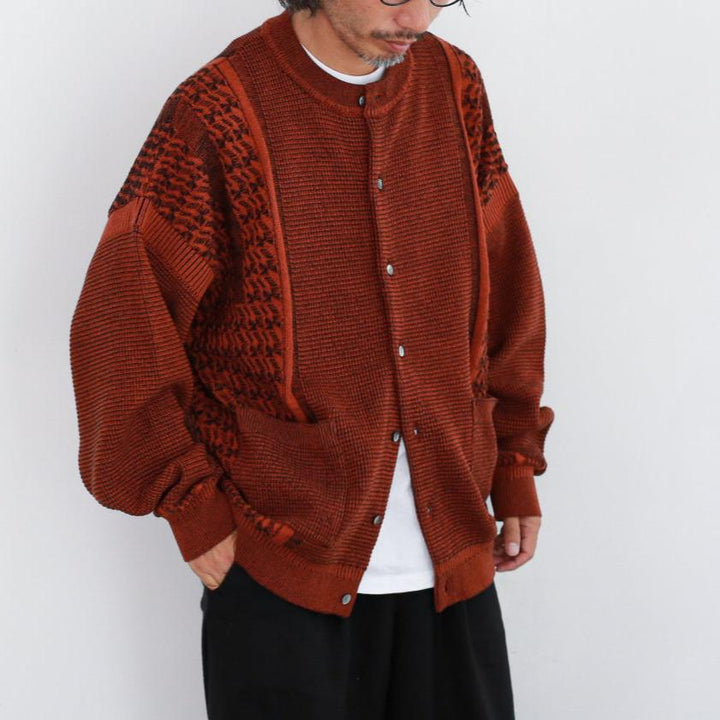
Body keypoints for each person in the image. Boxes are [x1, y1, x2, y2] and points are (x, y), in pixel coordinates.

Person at [69, 0, 554, 717]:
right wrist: (192, 508)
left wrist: (513, 465)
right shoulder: (219, 112)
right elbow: (121, 322)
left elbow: (507, 283)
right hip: (280, 570)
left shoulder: (455, 86)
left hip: (455, 556)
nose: (418, 17)